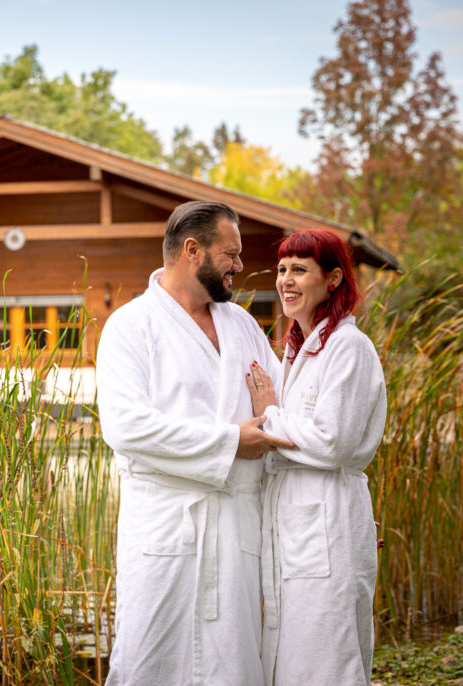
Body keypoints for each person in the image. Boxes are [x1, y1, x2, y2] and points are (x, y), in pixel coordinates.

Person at [97, 200, 295, 685]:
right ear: (192, 250)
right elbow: (126, 426)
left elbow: (282, 417)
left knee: (235, 660)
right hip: (166, 526)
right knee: (151, 656)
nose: (240, 266)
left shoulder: (243, 326)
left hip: (236, 526)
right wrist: (230, 441)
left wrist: (333, 509)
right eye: (231, 253)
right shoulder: (130, 326)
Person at [245, 229, 387, 686]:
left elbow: (334, 442)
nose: (286, 279)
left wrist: (269, 414)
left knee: (329, 657)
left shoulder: (348, 347)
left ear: (333, 279)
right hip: (297, 521)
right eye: (282, 269)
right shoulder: (295, 350)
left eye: (299, 269)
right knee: (291, 657)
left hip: (327, 519)